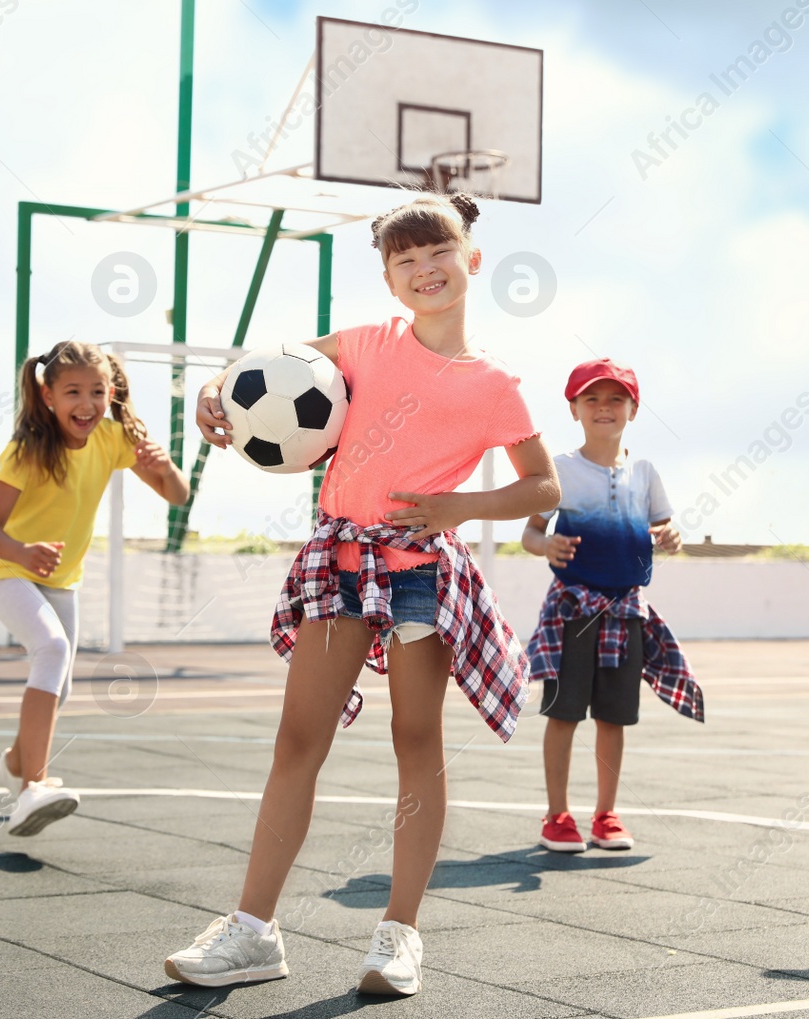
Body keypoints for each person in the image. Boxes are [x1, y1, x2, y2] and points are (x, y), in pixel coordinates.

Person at [164, 192, 560, 997]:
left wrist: (460, 509)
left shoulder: (493, 385)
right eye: (404, 261)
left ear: (471, 260)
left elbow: (543, 485)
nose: (424, 270)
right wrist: (212, 388)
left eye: (437, 254)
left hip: (419, 574)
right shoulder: (360, 345)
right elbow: (247, 371)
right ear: (388, 278)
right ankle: (252, 932)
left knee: (417, 744)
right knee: (296, 742)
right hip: (339, 561)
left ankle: (399, 935)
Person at [0, 339, 188, 836]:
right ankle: (34, 787)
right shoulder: (28, 450)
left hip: (60, 580)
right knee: (50, 649)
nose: (86, 404)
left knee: (60, 684)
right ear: (48, 395)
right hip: (6, 571)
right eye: (73, 392)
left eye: (97, 391)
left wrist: (165, 466)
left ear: (110, 392)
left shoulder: (114, 439)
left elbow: (178, 497)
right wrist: (23, 553)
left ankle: (13, 763)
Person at [523, 358, 702, 855]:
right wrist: (546, 547)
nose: (604, 407)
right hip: (573, 611)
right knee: (563, 714)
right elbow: (531, 532)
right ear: (575, 408)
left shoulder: (644, 473)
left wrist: (670, 536)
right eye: (592, 399)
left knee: (614, 717)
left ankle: (606, 814)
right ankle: (557, 815)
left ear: (633, 409)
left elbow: (668, 531)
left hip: (625, 611)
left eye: (616, 399)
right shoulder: (560, 470)